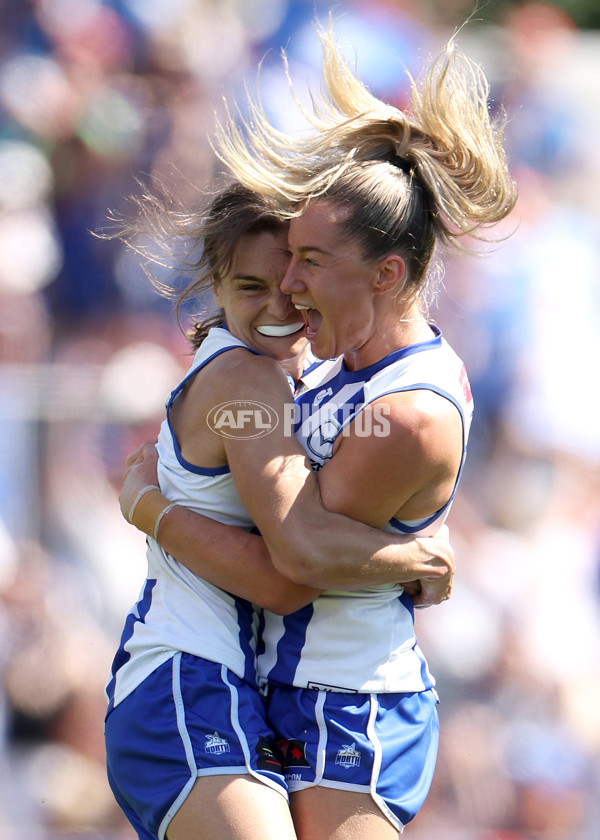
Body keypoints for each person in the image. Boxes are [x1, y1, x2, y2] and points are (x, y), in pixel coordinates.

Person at [117, 21, 517, 840]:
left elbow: (293, 562)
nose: (292, 291)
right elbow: (292, 544)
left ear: (387, 274)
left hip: (349, 708)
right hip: (237, 689)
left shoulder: (402, 408)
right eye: (271, 271)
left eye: (309, 263)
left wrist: (148, 505)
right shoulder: (297, 369)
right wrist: (415, 556)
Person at [105, 180, 457, 840]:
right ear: (215, 283)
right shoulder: (252, 379)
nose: (278, 305)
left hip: (233, 691)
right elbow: (282, 579)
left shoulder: (307, 377)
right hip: (185, 679)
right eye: (249, 288)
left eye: (292, 283)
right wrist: (411, 556)